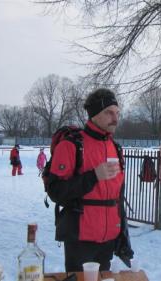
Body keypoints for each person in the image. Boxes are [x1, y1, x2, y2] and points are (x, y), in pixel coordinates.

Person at [46, 88, 133, 272]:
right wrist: (94, 176)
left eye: (117, 113)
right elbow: (56, 192)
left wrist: (122, 236)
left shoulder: (115, 148)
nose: (115, 118)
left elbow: (118, 198)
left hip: (108, 239)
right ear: (94, 114)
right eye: (108, 112)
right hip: (80, 239)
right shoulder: (71, 145)